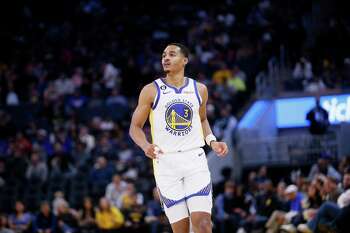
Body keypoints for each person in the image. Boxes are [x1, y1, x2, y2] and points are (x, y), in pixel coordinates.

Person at [129, 43, 228, 233]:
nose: (165, 58)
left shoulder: (200, 89)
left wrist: (212, 141)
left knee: (204, 224)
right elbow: (135, 127)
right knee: (181, 230)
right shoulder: (151, 90)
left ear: (185, 60)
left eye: (171, 54)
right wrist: (145, 145)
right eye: (163, 55)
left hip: (194, 160)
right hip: (166, 163)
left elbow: (202, 119)